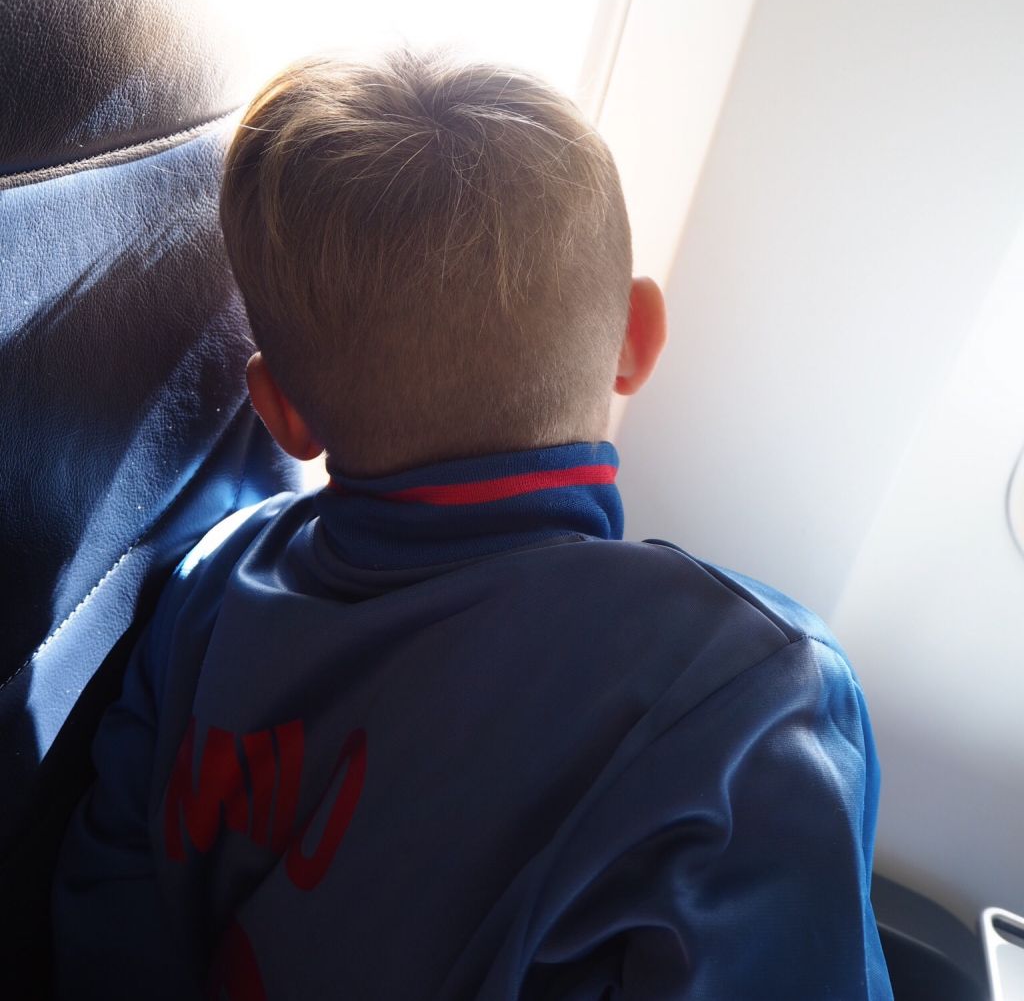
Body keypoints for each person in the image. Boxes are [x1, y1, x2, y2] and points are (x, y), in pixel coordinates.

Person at [52, 49, 893, 999]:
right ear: (637, 337)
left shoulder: (209, 587)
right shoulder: (748, 693)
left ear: (281, 411)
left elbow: (108, 911)